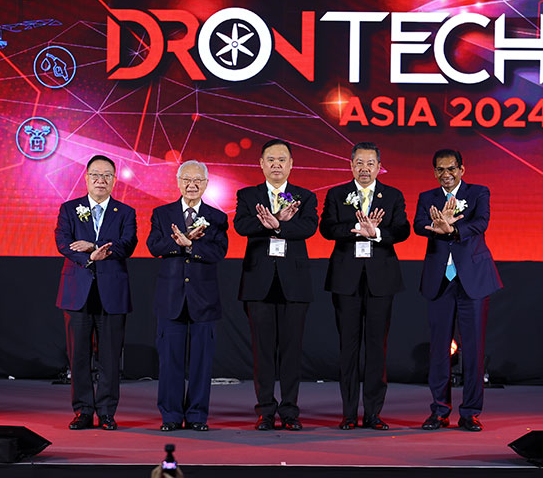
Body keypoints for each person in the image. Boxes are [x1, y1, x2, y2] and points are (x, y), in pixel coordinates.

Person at [319, 142, 410, 430]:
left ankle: (373, 413)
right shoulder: (337, 194)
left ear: (379, 167)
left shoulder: (392, 195)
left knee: (376, 347)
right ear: (351, 165)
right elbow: (326, 228)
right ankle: (348, 413)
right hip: (346, 279)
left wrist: (377, 232)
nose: (364, 169)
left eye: (370, 163)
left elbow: (403, 230)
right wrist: (356, 229)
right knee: (348, 347)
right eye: (359, 163)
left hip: (381, 280)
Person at [413, 149, 502, 432]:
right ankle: (439, 411)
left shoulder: (479, 192)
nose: (446, 174)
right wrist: (436, 227)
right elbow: (418, 225)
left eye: (451, 168)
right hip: (440, 280)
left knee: (473, 349)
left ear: (462, 169)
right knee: (439, 349)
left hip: (472, 279)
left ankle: (470, 412)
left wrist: (452, 230)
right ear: (434, 172)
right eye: (440, 169)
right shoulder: (427, 197)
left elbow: (481, 223)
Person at [233, 139, 318, 431]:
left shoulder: (305, 196)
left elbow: (308, 227)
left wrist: (280, 225)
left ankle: (290, 411)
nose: (276, 165)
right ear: (261, 164)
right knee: (263, 351)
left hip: (294, 283)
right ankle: (266, 411)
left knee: (292, 351)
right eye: (270, 159)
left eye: (282, 159)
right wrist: (268, 223)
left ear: (291, 164)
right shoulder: (248, 195)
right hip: (259, 283)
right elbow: (241, 226)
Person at [54, 154, 138, 431]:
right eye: (96, 175)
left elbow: (127, 245)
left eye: (107, 176)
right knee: (78, 356)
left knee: (110, 358)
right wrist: (90, 256)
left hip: (112, 292)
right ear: (87, 178)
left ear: (114, 180)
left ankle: (106, 412)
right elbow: (63, 242)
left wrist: (93, 245)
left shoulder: (125, 212)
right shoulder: (69, 208)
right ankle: (83, 410)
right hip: (77, 291)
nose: (101, 180)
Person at [146, 161, 229, 432]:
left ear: (206, 184)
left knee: (201, 362)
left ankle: (197, 416)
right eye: (186, 180)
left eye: (197, 180)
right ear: (178, 182)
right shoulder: (162, 213)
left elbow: (218, 252)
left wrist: (192, 245)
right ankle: (170, 415)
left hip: (204, 299)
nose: (191, 185)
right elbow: (154, 246)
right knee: (169, 361)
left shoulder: (217, 217)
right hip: (171, 298)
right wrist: (178, 242)